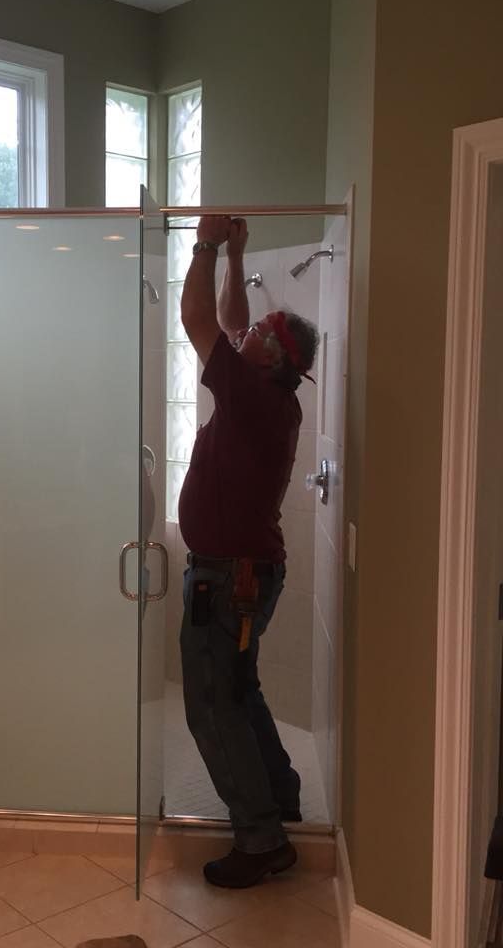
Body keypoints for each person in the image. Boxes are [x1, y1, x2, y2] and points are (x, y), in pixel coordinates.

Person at [178, 214, 319, 889]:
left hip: (228, 579)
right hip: (242, 575)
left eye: (261, 334)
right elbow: (231, 320)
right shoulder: (264, 392)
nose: (250, 331)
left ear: (276, 359)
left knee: (211, 705)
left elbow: (198, 317)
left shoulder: (255, 399)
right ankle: (281, 797)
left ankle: (261, 841)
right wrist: (238, 255)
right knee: (241, 691)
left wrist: (204, 243)